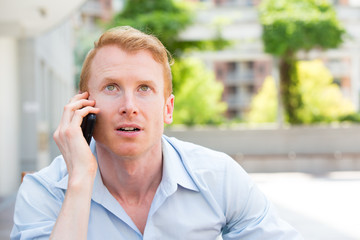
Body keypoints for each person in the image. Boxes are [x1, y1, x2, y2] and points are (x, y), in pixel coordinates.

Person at [11, 26, 303, 240]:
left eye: (144, 89)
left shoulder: (219, 177)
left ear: (167, 108)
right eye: (111, 87)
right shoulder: (44, 192)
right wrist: (79, 180)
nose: (129, 106)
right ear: (83, 105)